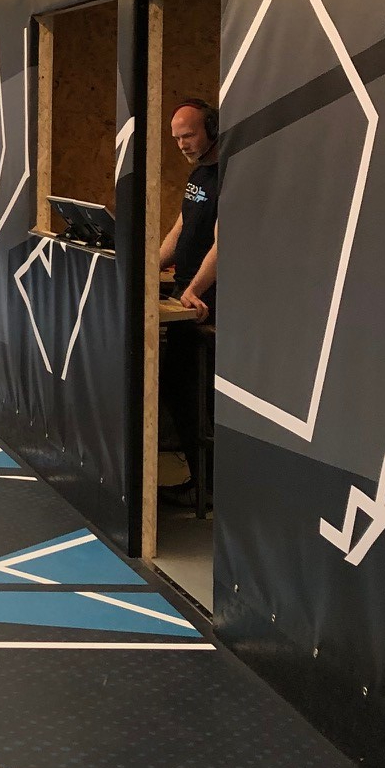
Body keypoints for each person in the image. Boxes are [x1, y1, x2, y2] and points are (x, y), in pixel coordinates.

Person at [158, 100, 219, 496]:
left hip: (205, 300)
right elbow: (179, 231)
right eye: (177, 138)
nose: (182, 144)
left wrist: (194, 289)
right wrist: (148, 268)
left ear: (211, 128)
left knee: (200, 398)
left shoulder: (230, 174)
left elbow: (223, 243)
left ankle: (210, 487)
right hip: (185, 296)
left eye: (189, 135)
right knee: (178, 390)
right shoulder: (198, 173)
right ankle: (201, 481)